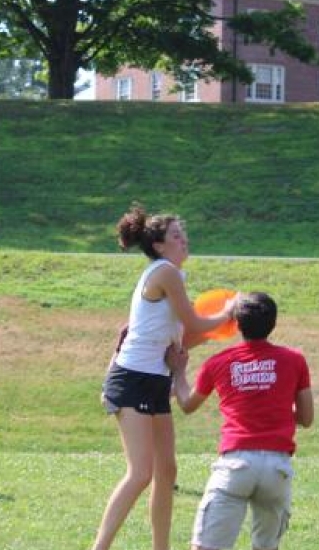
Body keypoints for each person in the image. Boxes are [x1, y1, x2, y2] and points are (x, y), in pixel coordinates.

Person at [92, 205, 236, 550]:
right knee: (141, 472)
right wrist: (230, 312)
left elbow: (182, 333)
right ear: (158, 246)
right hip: (133, 380)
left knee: (166, 472)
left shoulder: (170, 275)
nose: (183, 239)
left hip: (154, 380)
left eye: (183, 233)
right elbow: (199, 324)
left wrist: (178, 362)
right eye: (175, 235)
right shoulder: (165, 273)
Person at [170, 292, 314, 550]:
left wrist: (179, 371)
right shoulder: (295, 360)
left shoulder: (218, 362)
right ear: (273, 322)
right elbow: (307, 418)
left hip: (236, 464)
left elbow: (187, 404)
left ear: (236, 324)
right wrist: (276, 410)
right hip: (278, 468)